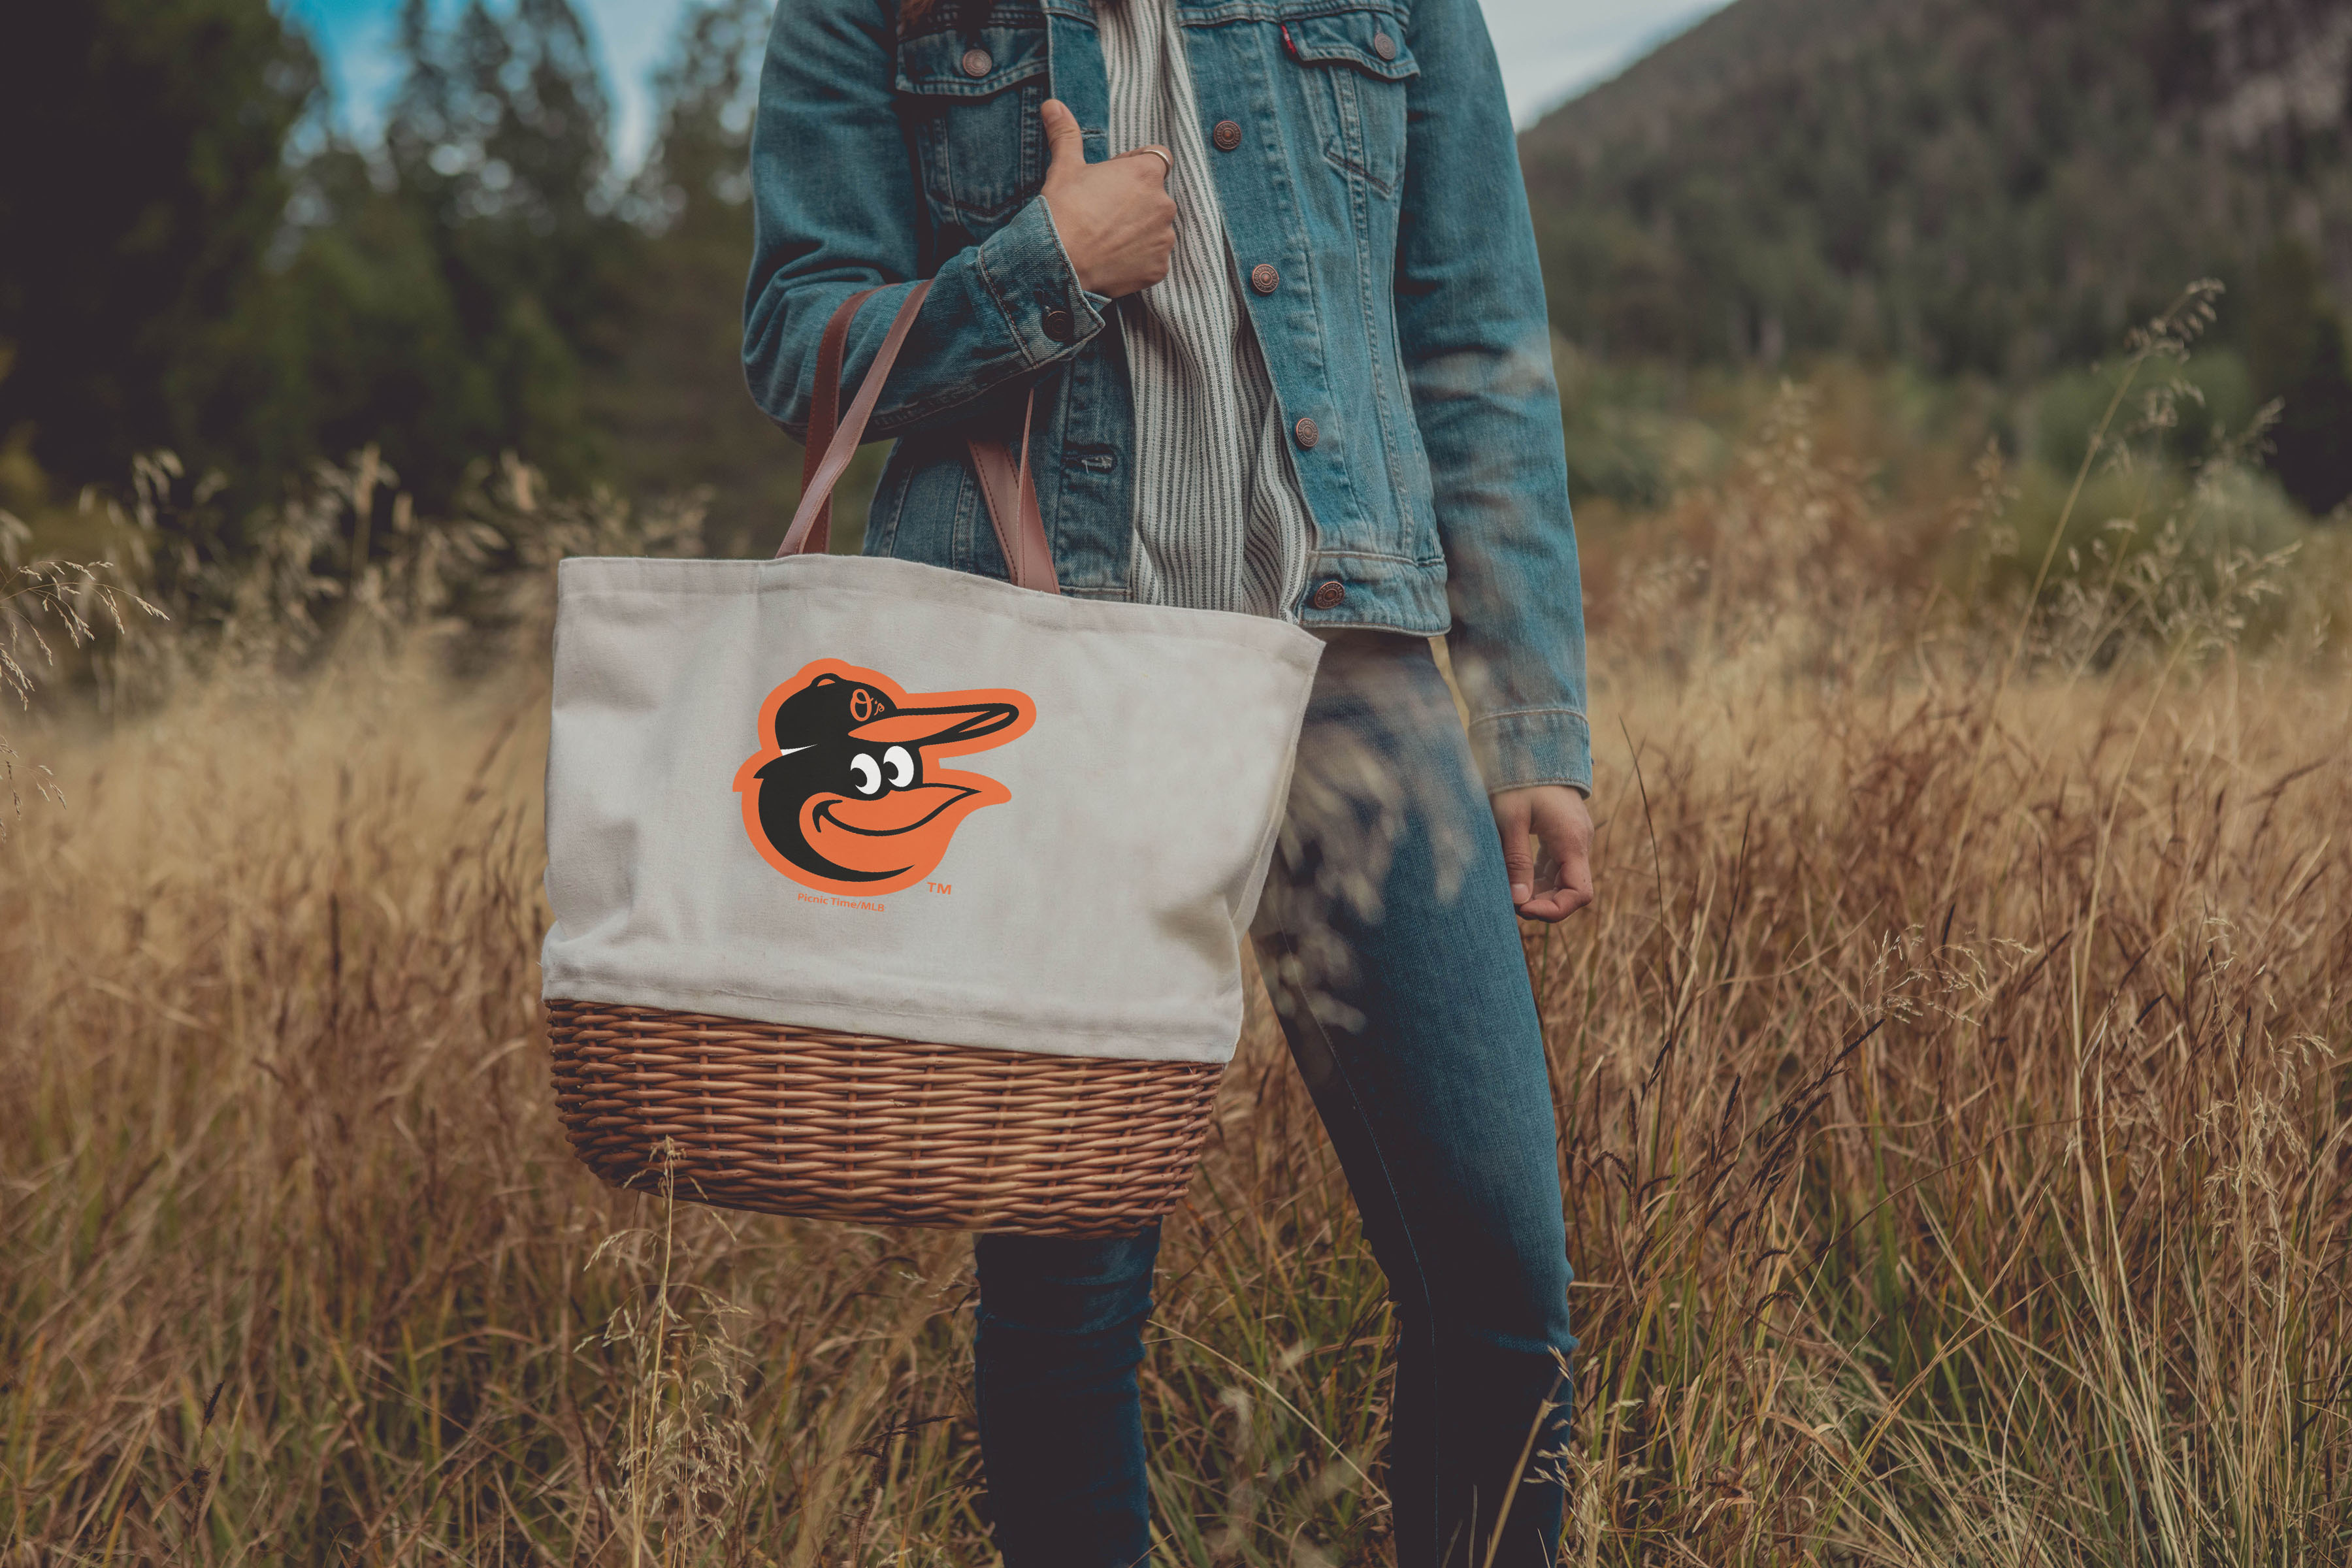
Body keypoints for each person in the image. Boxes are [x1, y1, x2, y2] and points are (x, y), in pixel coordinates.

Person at [745, 0, 1594, 1561]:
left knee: (1500, 1281)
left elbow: (1473, 339)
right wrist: (1039, 271)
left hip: (1353, 677)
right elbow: (798, 337)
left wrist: (1533, 714)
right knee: (1070, 1302)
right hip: (1047, 694)